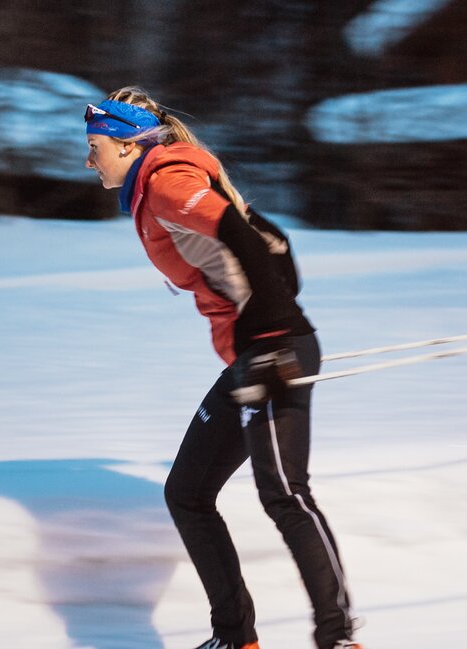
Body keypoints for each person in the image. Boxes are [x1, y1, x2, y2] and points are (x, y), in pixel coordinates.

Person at [83, 87, 363, 649]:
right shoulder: (163, 181)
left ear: (128, 144)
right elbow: (272, 240)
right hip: (253, 350)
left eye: (95, 147)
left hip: (272, 348)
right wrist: (263, 327)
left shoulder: (166, 182)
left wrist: (272, 334)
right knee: (187, 492)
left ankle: (338, 639)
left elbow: (243, 236)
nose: (89, 160)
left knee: (285, 493)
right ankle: (235, 638)